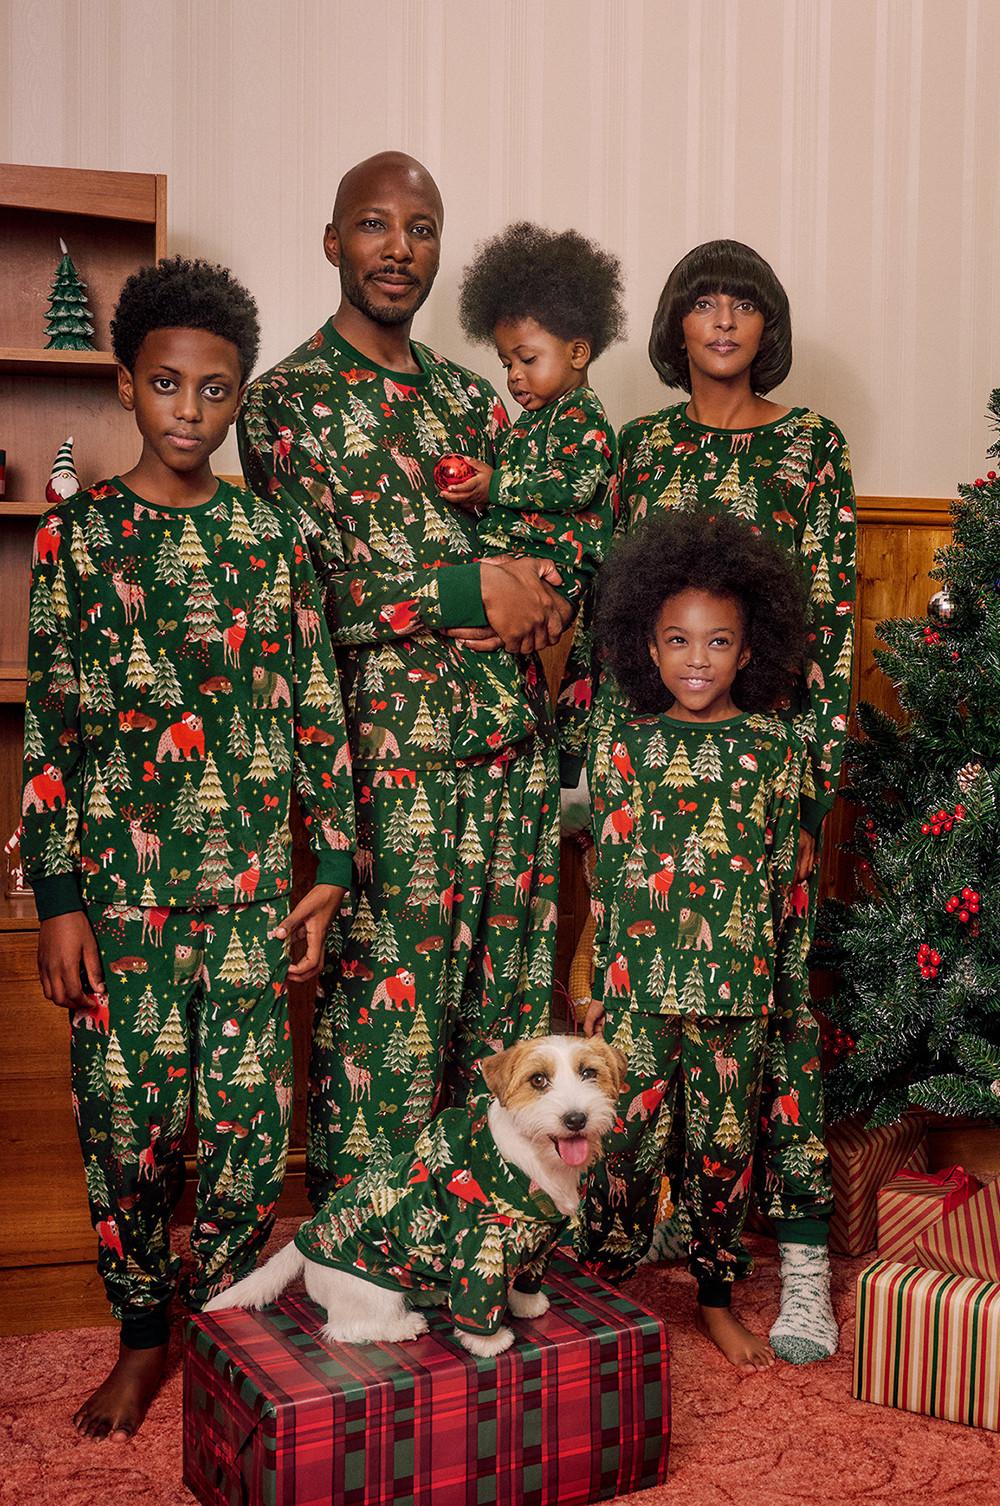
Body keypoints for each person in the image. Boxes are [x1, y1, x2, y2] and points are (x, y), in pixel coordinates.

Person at [20, 257, 356, 1441]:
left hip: (254, 891)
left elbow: (318, 705)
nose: (190, 411)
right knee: (126, 1122)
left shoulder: (272, 539)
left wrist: (331, 867)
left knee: (247, 1130)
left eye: (216, 392)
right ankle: (141, 1336)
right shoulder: (79, 542)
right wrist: (56, 897)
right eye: (167, 385)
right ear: (126, 387)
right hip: (123, 898)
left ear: (240, 398)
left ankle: (214, 1323)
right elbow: (53, 724)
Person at [238, 154, 614, 1198]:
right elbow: (301, 605)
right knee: (386, 1049)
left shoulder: (480, 400)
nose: (398, 247)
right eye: (373, 224)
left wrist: (543, 585)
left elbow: (562, 530)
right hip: (388, 775)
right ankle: (362, 1270)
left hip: (513, 762)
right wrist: (462, 594)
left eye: (420, 229)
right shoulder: (283, 407)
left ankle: (484, 1258)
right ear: (333, 243)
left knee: (500, 1043)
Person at [563, 239, 852, 1364]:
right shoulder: (641, 449)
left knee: (772, 1026)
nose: (722, 322)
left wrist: (805, 781)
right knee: (642, 1035)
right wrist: (603, 765)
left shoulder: (810, 446)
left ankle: (791, 1269)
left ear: (765, 325)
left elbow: (822, 617)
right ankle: (625, 1262)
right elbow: (606, 614)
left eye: (743, 305)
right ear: (675, 326)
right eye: (702, 304)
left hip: (765, 785)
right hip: (653, 786)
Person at [582, 511, 810, 1370]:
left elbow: (786, 881)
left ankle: (714, 1296)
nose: (698, 660)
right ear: (649, 644)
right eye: (678, 640)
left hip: (735, 994)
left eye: (719, 643)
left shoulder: (773, 748)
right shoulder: (622, 745)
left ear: (749, 651)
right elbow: (606, 874)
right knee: (622, 1153)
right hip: (637, 994)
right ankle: (603, 1288)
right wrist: (597, 979)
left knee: (723, 1152)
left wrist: (778, 990)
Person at [432, 221, 622, 758]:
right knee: (473, 613)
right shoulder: (530, 421)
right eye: (506, 363)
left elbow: (575, 483)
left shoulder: (582, 413)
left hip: (560, 560)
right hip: (524, 556)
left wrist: (496, 485)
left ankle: (500, 738)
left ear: (578, 354)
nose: (514, 376)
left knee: (488, 623)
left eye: (528, 359)